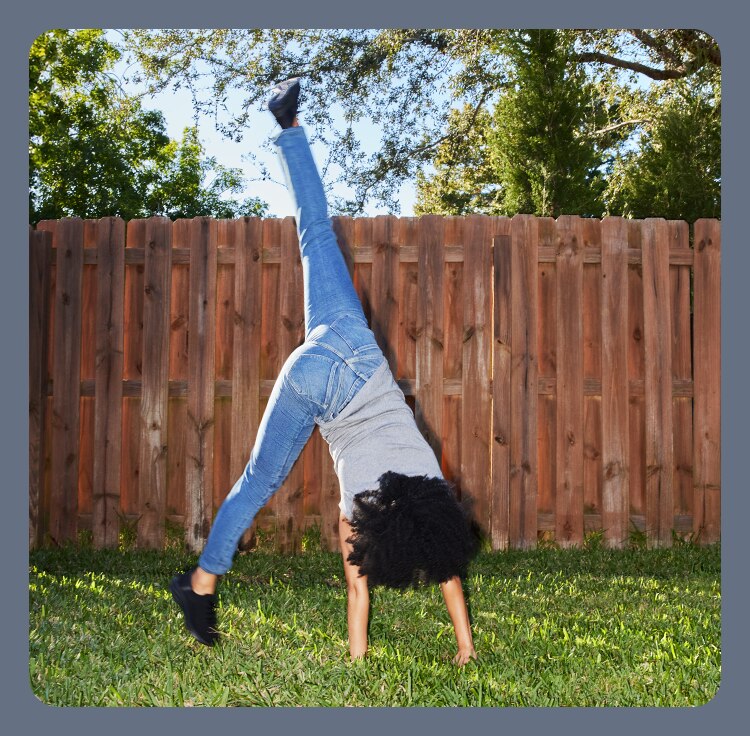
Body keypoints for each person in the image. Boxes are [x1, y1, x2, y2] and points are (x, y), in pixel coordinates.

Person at [170, 78, 478, 666]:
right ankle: (200, 585)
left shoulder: (431, 482)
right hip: (314, 379)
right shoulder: (357, 512)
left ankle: (289, 127)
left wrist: (466, 643)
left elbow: (449, 568)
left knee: (316, 234)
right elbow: (359, 588)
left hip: (351, 344)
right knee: (257, 480)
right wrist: (435, 655)